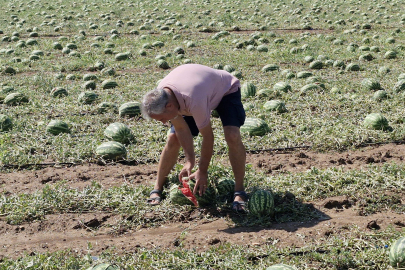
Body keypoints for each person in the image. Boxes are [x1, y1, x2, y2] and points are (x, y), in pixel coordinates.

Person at [141, 64, 247, 211]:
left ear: (170, 107)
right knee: (173, 138)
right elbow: (180, 128)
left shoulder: (193, 99)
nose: (164, 122)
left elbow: (208, 137)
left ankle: (239, 190)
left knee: (232, 135)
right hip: (194, 94)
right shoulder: (163, 94)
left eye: (161, 119)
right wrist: (189, 161)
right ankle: (157, 187)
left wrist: (202, 171)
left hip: (225, 90)